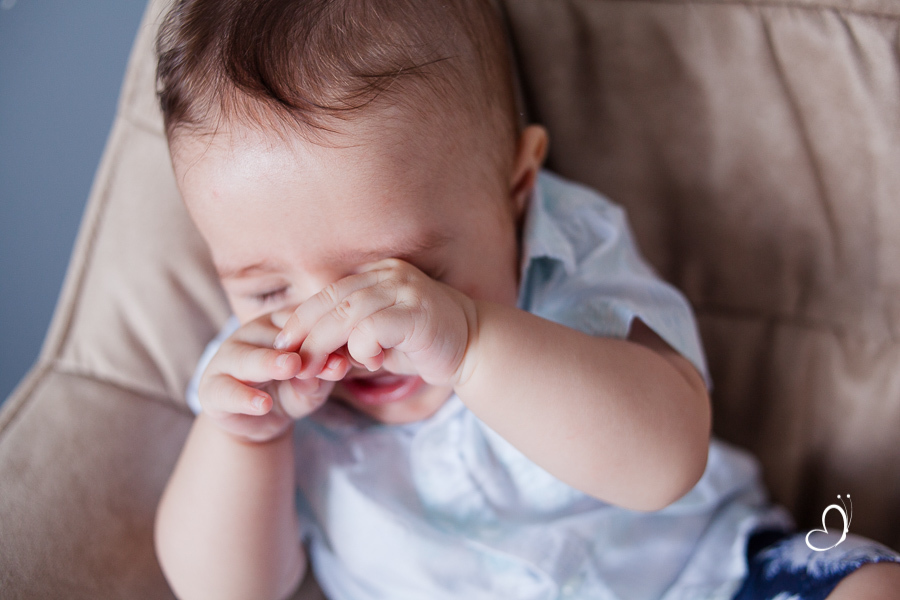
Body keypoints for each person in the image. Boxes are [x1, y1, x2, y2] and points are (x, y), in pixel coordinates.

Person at [152, 1, 900, 599]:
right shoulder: (257, 382)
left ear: (517, 192)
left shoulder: (570, 255)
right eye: (268, 288)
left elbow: (666, 460)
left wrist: (472, 342)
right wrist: (244, 440)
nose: (338, 330)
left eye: (396, 273)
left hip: (708, 577)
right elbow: (221, 588)